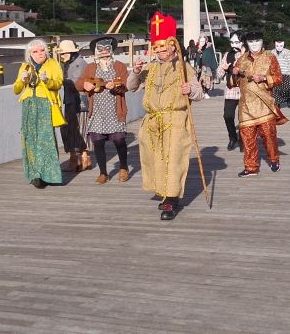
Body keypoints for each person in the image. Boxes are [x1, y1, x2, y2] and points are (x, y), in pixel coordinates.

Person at [126, 12, 203, 220]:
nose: (159, 51)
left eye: (162, 47)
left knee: (174, 159)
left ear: (172, 46)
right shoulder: (149, 69)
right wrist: (135, 72)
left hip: (176, 119)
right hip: (152, 121)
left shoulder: (184, 67)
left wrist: (190, 90)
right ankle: (163, 194)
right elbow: (131, 87)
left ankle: (171, 199)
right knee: (157, 159)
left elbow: (199, 93)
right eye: (156, 48)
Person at [233, 31, 288, 177]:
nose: (254, 44)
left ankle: (274, 159)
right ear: (246, 44)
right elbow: (234, 82)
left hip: (264, 103)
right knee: (248, 139)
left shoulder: (271, 57)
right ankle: (251, 167)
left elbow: (279, 78)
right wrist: (234, 73)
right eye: (251, 42)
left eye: (257, 41)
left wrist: (264, 78)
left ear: (262, 41)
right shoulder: (241, 59)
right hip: (245, 105)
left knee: (269, 136)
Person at [77, 37, 131, 184]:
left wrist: (115, 87)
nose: (104, 52)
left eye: (107, 49)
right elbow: (79, 83)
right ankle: (103, 173)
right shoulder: (91, 67)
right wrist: (86, 85)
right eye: (100, 49)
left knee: (119, 140)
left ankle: (123, 167)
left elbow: (126, 84)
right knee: (98, 142)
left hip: (114, 109)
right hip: (98, 111)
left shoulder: (119, 66)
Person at [13, 39, 64, 189]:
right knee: (30, 139)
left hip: (45, 103)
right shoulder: (24, 66)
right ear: (30, 54)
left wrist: (47, 81)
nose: (39, 54)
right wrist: (22, 81)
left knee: (46, 139)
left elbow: (59, 83)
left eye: (42, 50)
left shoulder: (53, 64)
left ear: (47, 51)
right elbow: (16, 89)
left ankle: (48, 174)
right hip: (29, 104)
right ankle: (35, 175)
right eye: (35, 51)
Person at [58, 40, 93, 173]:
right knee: (69, 129)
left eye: (64, 53)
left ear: (71, 52)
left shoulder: (79, 63)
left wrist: (58, 80)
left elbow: (75, 82)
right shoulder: (69, 63)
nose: (62, 56)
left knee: (80, 128)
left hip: (80, 99)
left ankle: (84, 158)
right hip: (70, 99)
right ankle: (76, 159)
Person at [216, 30, 245, 151]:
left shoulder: (248, 55)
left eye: (236, 42)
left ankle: (242, 140)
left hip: (245, 90)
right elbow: (218, 75)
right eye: (231, 42)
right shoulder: (228, 55)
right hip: (231, 89)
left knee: (244, 118)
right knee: (227, 115)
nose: (233, 45)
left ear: (242, 42)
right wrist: (224, 68)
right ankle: (232, 137)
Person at [190, 33, 218, 99]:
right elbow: (194, 55)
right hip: (200, 66)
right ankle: (201, 92)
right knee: (200, 80)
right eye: (201, 37)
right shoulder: (197, 47)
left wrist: (213, 67)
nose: (202, 38)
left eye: (204, 37)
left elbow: (212, 57)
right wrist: (198, 51)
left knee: (207, 80)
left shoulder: (209, 47)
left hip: (207, 67)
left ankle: (206, 92)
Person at [271, 38, 290, 109]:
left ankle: (288, 99)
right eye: (277, 46)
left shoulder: (287, 52)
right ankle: (278, 103)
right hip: (276, 74)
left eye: (281, 46)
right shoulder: (272, 52)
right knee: (276, 89)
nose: (279, 48)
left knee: (287, 88)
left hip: (285, 73)